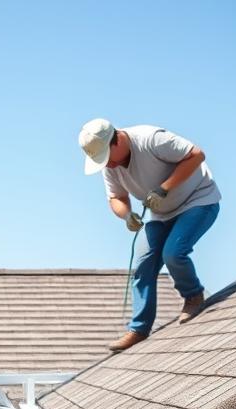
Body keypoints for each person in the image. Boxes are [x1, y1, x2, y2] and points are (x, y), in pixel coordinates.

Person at [78, 118, 222, 351]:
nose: (108, 166)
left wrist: (164, 188)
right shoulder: (110, 166)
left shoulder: (150, 139)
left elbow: (196, 155)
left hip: (198, 200)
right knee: (142, 265)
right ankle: (139, 329)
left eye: (107, 158)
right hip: (160, 214)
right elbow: (116, 198)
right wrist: (126, 215)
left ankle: (193, 295)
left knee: (173, 254)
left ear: (116, 142)